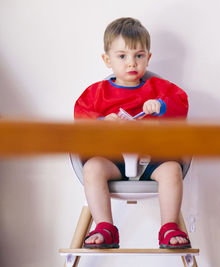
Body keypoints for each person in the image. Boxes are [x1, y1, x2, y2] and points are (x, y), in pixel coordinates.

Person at [74, 17, 190, 249]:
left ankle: (168, 226)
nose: (131, 63)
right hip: (112, 161)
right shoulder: (97, 93)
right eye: (122, 56)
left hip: (152, 162)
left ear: (148, 57)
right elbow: (80, 117)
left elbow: (182, 104)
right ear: (107, 60)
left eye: (139, 55)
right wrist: (101, 122)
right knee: (92, 168)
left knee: (172, 170)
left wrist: (161, 105)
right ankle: (105, 226)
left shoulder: (158, 88)